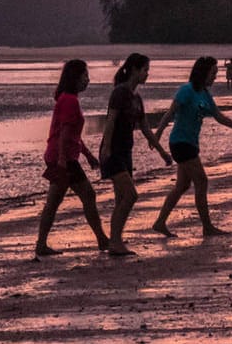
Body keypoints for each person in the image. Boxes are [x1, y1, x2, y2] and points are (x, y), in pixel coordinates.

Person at [150, 56, 232, 237]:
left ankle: (160, 222)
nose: (215, 77)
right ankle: (207, 227)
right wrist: (157, 134)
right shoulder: (186, 90)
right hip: (180, 143)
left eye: (216, 73)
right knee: (201, 181)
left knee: (182, 185)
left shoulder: (205, 94)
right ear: (203, 73)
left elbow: (220, 117)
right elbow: (170, 113)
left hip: (191, 144)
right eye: (213, 73)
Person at [97, 53, 171, 256]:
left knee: (121, 198)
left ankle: (115, 241)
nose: (148, 74)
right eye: (145, 70)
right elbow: (110, 121)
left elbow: (146, 128)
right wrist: (106, 149)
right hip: (113, 152)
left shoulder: (136, 98)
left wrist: (163, 153)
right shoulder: (120, 93)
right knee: (131, 195)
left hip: (126, 152)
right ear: (135, 70)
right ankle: (115, 241)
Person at [34, 59, 109, 259]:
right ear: (75, 78)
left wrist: (88, 155)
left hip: (63, 157)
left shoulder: (68, 98)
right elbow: (64, 133)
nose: (88, 80)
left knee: (54, 202)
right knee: (88, 195)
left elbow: (73, 135)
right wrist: (61, 161)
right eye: (84, 75)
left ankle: (41, 244)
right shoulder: (69, 100)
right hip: (64, 159)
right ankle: (102, 239)